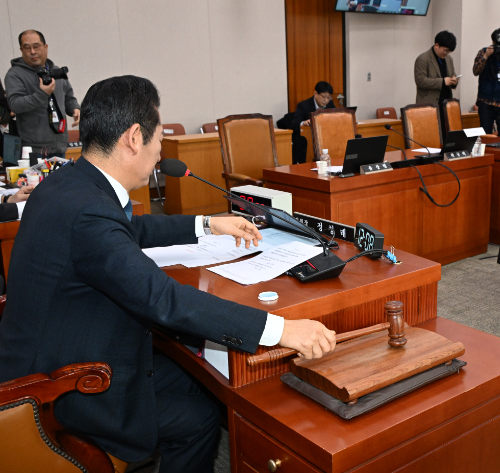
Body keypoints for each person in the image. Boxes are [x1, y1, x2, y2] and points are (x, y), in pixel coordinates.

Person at [0, 75, 336, 472]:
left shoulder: (69, 185)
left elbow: (129, 231)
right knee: (200, 417)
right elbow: (162, 298)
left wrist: (207, 224)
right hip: (68, 387)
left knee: (197, 377)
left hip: (52, 347)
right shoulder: (89, 212)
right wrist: (283, 330)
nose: (160, 152)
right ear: (135, 137)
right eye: (159, 138)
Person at [4, 30, 80, 159]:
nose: (32, 51)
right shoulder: (15, 74)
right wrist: (42, 94)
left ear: (46, 47)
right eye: (27, 48)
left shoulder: (56, 70)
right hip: (33, 149)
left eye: (36, 46)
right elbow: (15, 105)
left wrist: (75, 108)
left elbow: (68, 96)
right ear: (21, 50)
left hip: (59, 144)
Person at [414, 30, 458, 119]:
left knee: (447, 131)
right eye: (445, 51)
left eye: (449, 52)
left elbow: (452, 74)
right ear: (437, 45)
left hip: (446, 103)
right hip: (429, 105)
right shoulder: (423, 59)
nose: (446, 54)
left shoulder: (449, 59)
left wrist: (454, 80)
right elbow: (420, 81)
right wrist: (442, 82)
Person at [289, 81, 336, 164]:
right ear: (315, 93)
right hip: (306, 146)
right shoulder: (303, 105)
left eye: (329, 97)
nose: (326, 100)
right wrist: (303, 122)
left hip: (325, 142)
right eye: (323, 96)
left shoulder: (330, 105)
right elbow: (294, 123)